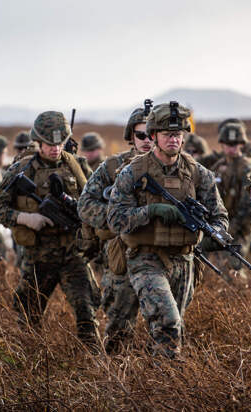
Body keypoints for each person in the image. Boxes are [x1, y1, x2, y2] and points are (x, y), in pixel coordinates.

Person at [107, 102, 228, 358]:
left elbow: (219, 216)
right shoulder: (133, 173)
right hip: (145, 258)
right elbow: (115, 219)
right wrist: (151, 211)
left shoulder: (199, 174)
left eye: (177, 134)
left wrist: (214, 232)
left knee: (173, 331)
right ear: (153, 136)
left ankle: (159, 377)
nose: (173, 139)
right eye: (167, 134)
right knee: (168, 322)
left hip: (184, 260)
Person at [0, 111, 100, 348]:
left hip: (73, 254)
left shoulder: (77, 166)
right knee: (29, 320)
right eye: (49, 144)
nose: (55, 149)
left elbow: (96, 203)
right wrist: (24, 218)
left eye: (60, 143)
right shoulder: (21, 170)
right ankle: (30, 364)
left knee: (87, 315)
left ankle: (93, 363)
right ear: (38, 142)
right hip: (38, 257)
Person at [77, 104, 154, 353]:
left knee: (166, 332)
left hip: (163, 258)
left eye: (153, 134)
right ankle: (115, 375)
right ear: (131, 136)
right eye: (141, 134)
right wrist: (121, 218)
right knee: (119, 336)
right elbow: (85, 205)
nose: (147, 140)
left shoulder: (177, 168)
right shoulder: (112, 167)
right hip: (123, 260)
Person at [209, 120, 251, 282]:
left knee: (234, 267)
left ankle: (242, 292)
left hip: (240, 228)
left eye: (235, 144)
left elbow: (247, 205)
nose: (232, 148)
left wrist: (232, 228)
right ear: (222, 144)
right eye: (228, 144)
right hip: (220, 225)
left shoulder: (247, 167)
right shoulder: (218, 167)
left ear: (241, 144)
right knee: (216, 268)